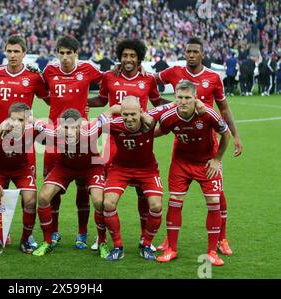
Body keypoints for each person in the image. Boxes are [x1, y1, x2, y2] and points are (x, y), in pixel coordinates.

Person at [154, 37, 242, 255]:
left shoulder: (213, 78)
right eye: (188, 51)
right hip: (182, 142)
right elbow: (150, 81)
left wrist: (236, 135)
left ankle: (222, 238)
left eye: (195, 52)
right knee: (175, 197)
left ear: (202, 54)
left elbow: (224, 108)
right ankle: (169, 239)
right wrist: (165, 105)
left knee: (217, 196)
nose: (191, 55)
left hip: (208, 144)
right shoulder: (174, 72)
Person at [88, 39, 170, 252]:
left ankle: (145, 238)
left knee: (144, 194)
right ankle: (102, 238)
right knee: (104, 196)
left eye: (133, 56)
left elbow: (157, 103)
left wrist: (179, 111)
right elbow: (100, 100)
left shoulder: (149, 79)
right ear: (119, 56)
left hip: (139, 141)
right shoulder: (110, 77)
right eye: (125, 55)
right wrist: (77, 100)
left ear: (140, 58)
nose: (128, 59)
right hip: (113, 141)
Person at [156, 80, 231, 266]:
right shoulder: (168, 116)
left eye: (187, 98)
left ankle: (212, 252)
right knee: (174, 200)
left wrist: (217, 159)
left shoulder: (207, 113)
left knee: (214, 201)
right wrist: (135, 132)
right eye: (179, 97)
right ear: (175, 98)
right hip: (181, 163)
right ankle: (171, 248)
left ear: (195, 98)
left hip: (207, 163)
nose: (183, 101)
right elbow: (159, 131)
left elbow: (226, 134)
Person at [0, 35, 49, 248]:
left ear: (24, 53)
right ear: (5, 52)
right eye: (9, 51)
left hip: (25, 146)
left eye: (16, 51)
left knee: (29, 199)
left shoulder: (33, 77)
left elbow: (48, 98)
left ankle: (26, 238)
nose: (12, 55)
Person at [100, 97, 183, 261]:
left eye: (133, 114)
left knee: (156, 205)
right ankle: (118, 246)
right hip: (120, 168)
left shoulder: (150, 119)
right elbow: (98, 124)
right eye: (125, 114)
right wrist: (112, 109)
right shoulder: (115, 124)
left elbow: (172, 104)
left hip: (147, 169)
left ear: (141, 112)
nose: (129, 118)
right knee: (108, 203)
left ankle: (146, 244)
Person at [42, 35, 103, 249]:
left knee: (82, 185)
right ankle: (54, 232)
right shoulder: (49, 71)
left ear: (76, 53)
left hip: (83, 135)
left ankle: (82, 233)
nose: (65, 57)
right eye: (62, 53)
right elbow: (42, 92)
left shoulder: (87, 69)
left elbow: (108, 82)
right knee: (52, 188)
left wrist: (91, 104)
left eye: (69, 53)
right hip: (54, 136)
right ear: (57, 54)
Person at [30, 108, 112, 257]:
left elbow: (111, 110)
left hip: (92, 167)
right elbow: (34, 121)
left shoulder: (92, 129)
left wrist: (140, 113)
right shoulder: (54, 132)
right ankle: (47, 242)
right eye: (66, 127)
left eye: (74, 127)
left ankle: (102, 242)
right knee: (43, 197)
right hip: (65, 167)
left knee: (99, 201)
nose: (69, 131)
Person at [0, 103, 40, 255]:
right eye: (13, 119)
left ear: (27, 120)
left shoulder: (33, 130)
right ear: (8, 118)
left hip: (22, 169)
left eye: (21, 120)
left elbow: (53, 131)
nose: (16, 123)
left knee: (31, 200)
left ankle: (25, 240)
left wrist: (35, 120)